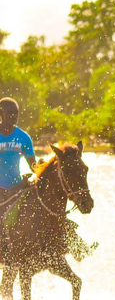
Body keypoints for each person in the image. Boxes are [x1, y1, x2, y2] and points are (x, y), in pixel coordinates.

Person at [0, 98, 96, 261]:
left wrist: (42, 167)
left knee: (46, 205)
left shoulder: (23, 138)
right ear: (1, 114)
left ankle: (74, 244)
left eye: (16, 114)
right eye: (10, 114)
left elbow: (33, 165)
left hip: (17, 185)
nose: (14, 117)